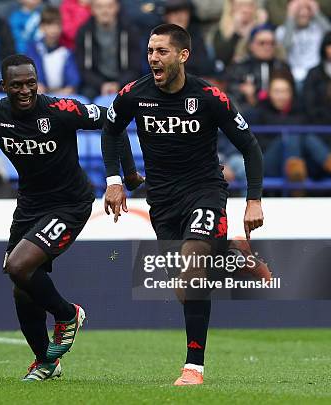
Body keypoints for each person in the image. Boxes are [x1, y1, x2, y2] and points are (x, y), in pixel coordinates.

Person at [0, 54, 143, 381]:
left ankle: (68, 315)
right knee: (22, 287)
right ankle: (46, 362)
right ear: (3, 87)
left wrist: (124, 175)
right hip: (29, 206)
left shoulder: (61, 110)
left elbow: (114, 121)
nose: (25, 90)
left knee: (18, 266)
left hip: (69, 204)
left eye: (30, 83)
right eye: (16, 86)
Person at [102, 24, 270, 386]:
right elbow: (112, 130)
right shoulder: (135, 94)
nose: (153, 58)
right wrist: (119, 179)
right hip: (162, 201)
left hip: (204, 191)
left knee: (194, 268)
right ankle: (231, 254)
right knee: (183, 288)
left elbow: (250, 147)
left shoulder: (209, 97)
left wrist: (253, 200)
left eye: (161, 51)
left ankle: (194, 367)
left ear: (183, 55)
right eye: (150, 51)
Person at [74, 0, 142, 100]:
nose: (105, 11)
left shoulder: (129, 30)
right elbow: (83, 69)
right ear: (92, 9)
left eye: (109, 6)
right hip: (95, 84)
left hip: (124, 81)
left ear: (117, 7)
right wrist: (101, 85)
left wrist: (118, 84)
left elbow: (135, 67)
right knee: (84, 100)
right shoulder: (84, 32)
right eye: (99, 7)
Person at [225, 24, 290, 111]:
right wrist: (248, 95)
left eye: (272, 43)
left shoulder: (282, 67)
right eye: (262, 43)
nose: (268, 47)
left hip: (277, 114)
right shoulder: (240, 67)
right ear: (251, 45)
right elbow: (232, 92)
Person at [275, 0, 331, 86]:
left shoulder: (317, 28)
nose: (303, 13)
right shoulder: (283, 30)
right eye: (299, 9)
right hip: (293, 72)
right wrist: (291, 17)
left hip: (315, 72)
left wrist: (317, 13)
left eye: (307, 9)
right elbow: (286, 45)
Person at [26, 6, 80, 95]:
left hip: (63, 94)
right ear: (41, 27)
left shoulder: (67, 50)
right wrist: (36, 84)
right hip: (40, 94)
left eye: (57, 25)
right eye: (49, 25)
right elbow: (28, 72)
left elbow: (73, 75)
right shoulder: (33, 49)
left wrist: (71, 86)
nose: (54, 30)